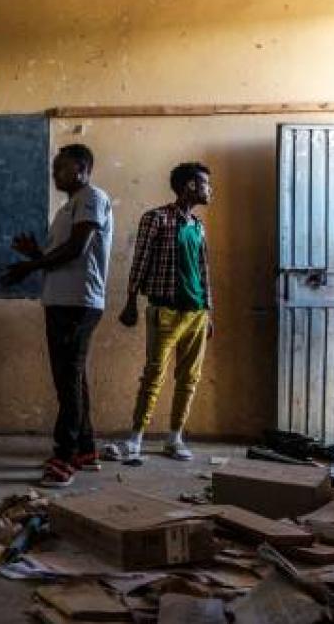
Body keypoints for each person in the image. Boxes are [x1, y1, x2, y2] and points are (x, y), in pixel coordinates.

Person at [3, 144, 113, 488]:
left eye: (61, 168)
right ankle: (84, 449)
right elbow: (65, 255)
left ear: (81, 168)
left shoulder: (91, 197)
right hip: (63, 301)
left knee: (67, 381)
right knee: (73, 380)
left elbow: (77, 249)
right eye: (54, 168)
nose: (54, 174)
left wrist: (31, 265)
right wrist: (36, 253)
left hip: (77, 303)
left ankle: (64, 458)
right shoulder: (69, 208)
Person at [116, 162, 214, 463]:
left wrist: (209, 311)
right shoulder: (156, 219)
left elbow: (203, 271)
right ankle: (136, 438)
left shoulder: (198, 226)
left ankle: (175, 438)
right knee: (154, 374)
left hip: (196, 312)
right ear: (189, 186)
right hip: (165, 311)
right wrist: (131, 302)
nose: (210, 190)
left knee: (190, 377)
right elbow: (140, 262)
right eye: (205, 184)